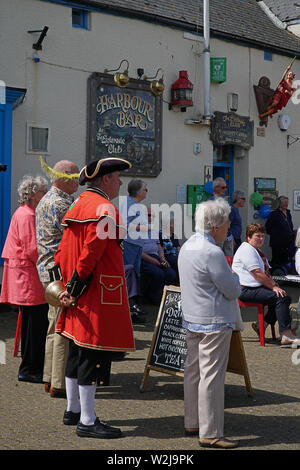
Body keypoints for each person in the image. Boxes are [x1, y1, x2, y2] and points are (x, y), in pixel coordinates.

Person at [54, 157, 135, 439]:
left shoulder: (77, 204)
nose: (121, 182)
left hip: (79, 287)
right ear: (104, 180)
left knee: (76, 350)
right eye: (117, 177)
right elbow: (92, 251)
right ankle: (87, 420)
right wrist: (76, 285)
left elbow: (64, 249)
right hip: (97, 290)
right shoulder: (105, 208)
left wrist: (66, 284)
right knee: (92, 353)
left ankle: (73, 409)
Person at [178, 197, 242, 449]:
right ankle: (211, 432)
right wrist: (235, 278)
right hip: (214, 320)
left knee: (193, 373)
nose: (228, 227)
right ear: (215, 226)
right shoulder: (213, 252)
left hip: (192, 317)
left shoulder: (188, 246)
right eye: (226, 222)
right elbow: (232, 289)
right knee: (212, 378)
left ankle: (192, 421)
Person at [36, 160, 79, 398]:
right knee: (62, 326)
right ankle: (59, 382)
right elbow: (73, 238)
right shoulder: (62, 203)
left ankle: (48, 376)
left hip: (46, 269)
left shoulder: (46, 199)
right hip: (59, 270)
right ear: (63, 177)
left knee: (53, 325)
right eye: (74, 178)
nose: (78, 183)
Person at [0, 175, 49, 383]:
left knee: (32, 323)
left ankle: (31, 367)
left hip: (24, 274)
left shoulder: (23, 212)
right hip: (29, 276)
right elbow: (32, 249)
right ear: (33, 195)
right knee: (35, 324)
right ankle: (29, 369)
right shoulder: (28, 215)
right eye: (42, 191)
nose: (45, 194)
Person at [232, 223, 299, 347]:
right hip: (244, 290)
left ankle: (261, 325)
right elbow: (257, 273)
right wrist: (273, 286)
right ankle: (286, 335)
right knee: (281, 297)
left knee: (283, 296)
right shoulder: (247, 250)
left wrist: (274, 286)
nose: (261, 239)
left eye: (263, 236)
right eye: (258, 236)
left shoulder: (255, 250)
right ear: (248, 237)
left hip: (253, 287)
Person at [119, 179, 149, 323]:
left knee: (135, 276)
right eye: (145, 189)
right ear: (138, 192)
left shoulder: (137, 205)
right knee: (130, 277)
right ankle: (130, 309)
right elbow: (125, 224)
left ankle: (134, 309)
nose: (146, 192)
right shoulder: (128, 204)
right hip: (129, 244)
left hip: (136, 245)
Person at [141, 208, 177, 305]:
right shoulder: (136, 230)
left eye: (153, 216)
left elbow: (159, 246)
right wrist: (152, 260)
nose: (151, 218)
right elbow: (138, 251)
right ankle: (151, 295)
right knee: (159, 273)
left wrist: (162, 258)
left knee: (171, 273)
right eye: (149, 215)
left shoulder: (153, 230)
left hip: (156, 257)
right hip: (144, 258)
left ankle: (158, 292)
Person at [265, 195, 296, 268]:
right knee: (277, 261)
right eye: (284, 202)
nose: (286, 204)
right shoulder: (274, 214)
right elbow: (268, 227)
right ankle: (276, 275)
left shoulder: (288, 213)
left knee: (286, 261)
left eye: (287, 202)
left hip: (288, 242)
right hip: (277, 243)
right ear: (280, 203)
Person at [208, 177, 234, 256]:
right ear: (216, 188)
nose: (225, 189)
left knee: (229, 259)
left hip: (228, 234)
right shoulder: (210, 201)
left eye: (226, 187)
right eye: (223, 187)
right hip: (218, 235)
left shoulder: (225, 200)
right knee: (218, 258)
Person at [159, 215, 180, 282]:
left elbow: (178, 248)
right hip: (166, 257)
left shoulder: (174, 235)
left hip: (175, 257)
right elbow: (159, 249)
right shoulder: (160, 235)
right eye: (174, 224)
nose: (176, 226)